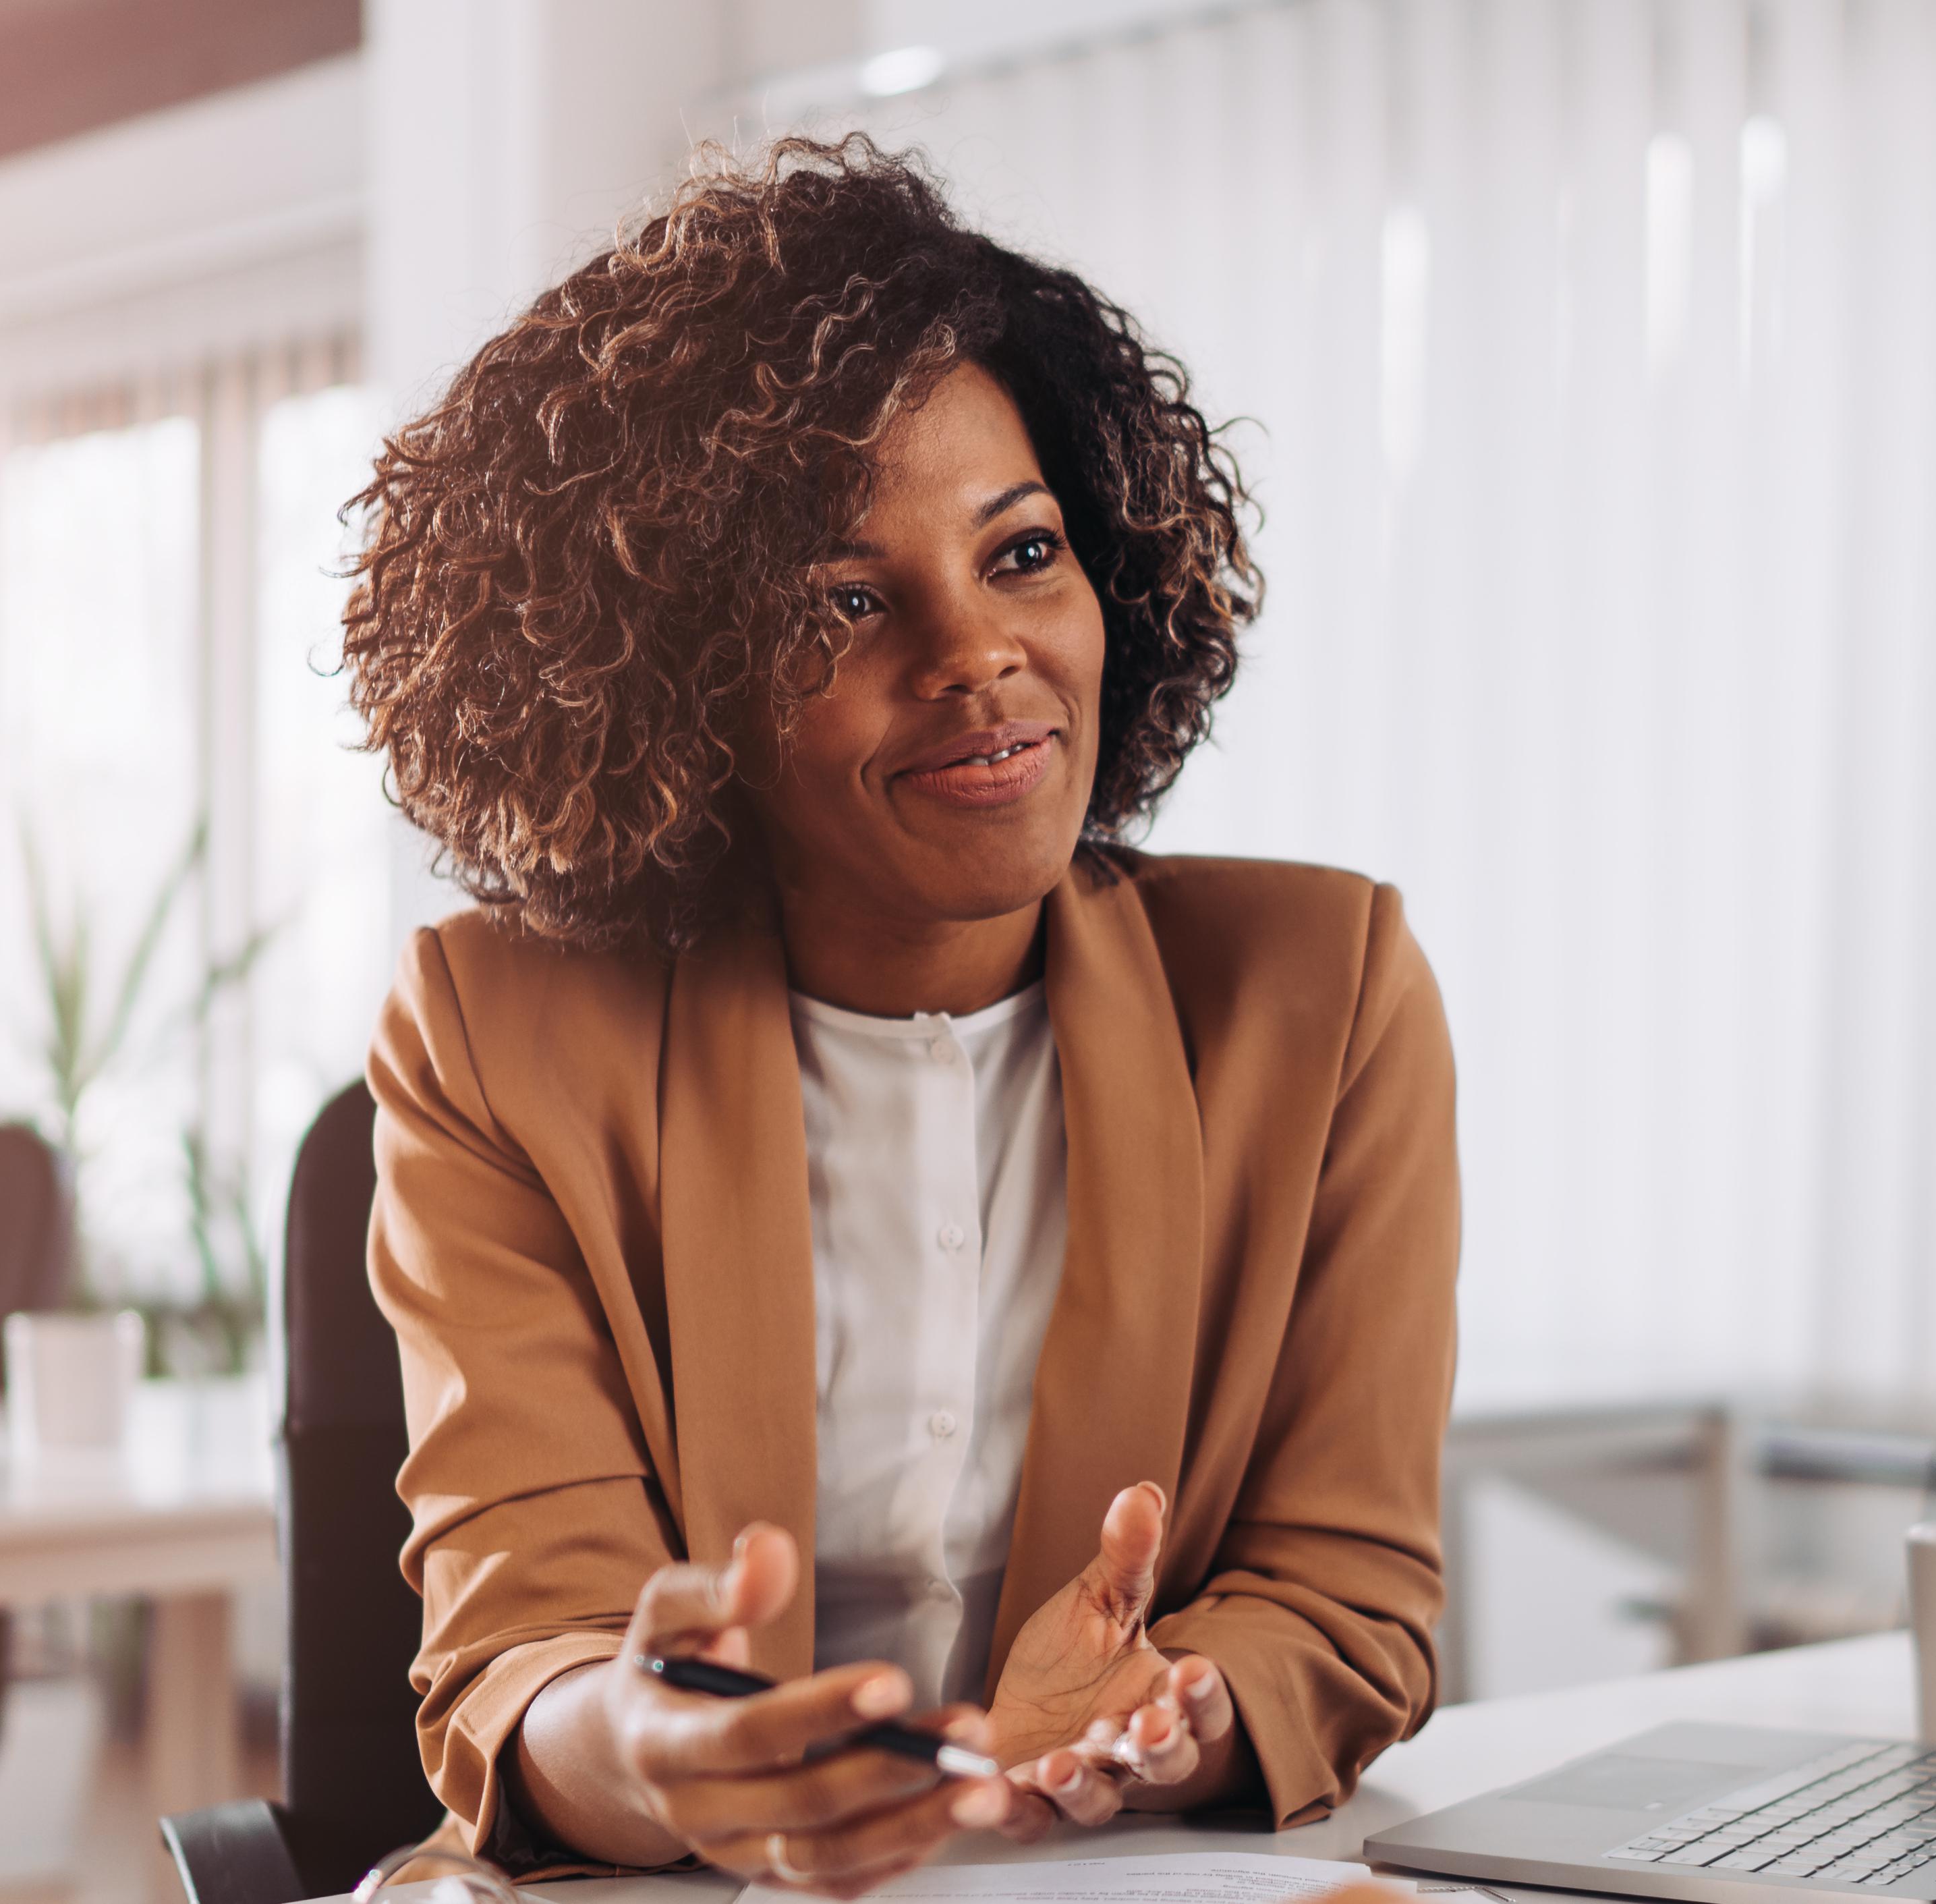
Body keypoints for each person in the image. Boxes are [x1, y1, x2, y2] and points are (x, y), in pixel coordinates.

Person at [340, 138, 1458, 1897]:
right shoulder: (497, 1033)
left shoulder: (1318, 999)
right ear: (678, 686)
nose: (977, 652)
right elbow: (522, 1652)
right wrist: (667, 1754)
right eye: (847, 603)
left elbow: (1351, 1589)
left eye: (1021, 552)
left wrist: (1177, 1710)